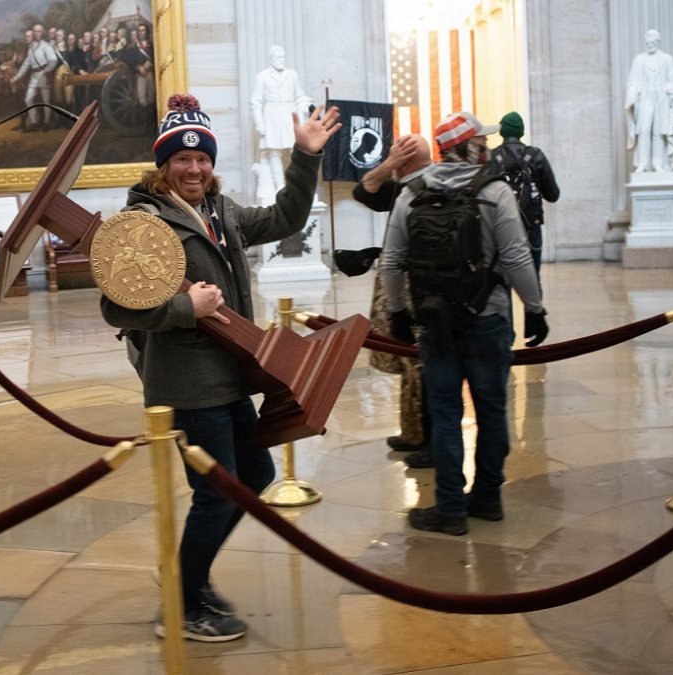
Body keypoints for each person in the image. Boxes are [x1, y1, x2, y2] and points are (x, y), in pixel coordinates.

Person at [100, 94, 340, 641]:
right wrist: (188, 307)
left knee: (254, 476)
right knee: (218, 490)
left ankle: (190, 575)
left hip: (230, 375)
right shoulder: (142, 223)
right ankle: (183, 605)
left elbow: (286, 216)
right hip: (186, 383)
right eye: (182, 160)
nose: (194, 168)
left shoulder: (222, 211)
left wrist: (304, 157)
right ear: (164, 165)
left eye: (202, 158)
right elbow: (116, 307)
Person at [381, 111, 548, 536]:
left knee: (445, 411)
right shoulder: (495, 192)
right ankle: (488, 497)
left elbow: (393, 261)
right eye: (482, 142)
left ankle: (450, 507)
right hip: (488, 317)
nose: (488, 148)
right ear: (471, 148)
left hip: (436, 322)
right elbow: (515, 257)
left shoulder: (411, 193)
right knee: (492, 410)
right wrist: (535, 307)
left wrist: (398, 313)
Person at [352, 135, 431, 459]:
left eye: (396, 155)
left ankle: (428, 441)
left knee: (420, 365)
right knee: (411, 365)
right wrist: (391, 165)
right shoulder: (403, 186)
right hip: (405, 286)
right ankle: (414, 433)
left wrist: (392, 164)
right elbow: (364, 189)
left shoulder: (426, 187)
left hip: (419, 289)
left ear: (406, 161)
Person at [489, 111, 560, 274]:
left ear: (502, 132)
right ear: (521, 131)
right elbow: (553, 195)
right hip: (531, 224)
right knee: (533, 281)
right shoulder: (536, 156)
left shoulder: (492, 157)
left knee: (500, 283)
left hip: (501, 226)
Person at [250, 45, 312, 205]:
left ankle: (295, 184)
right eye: (277, 58)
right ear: (270, 59)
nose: (281, 60)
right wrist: (259, 123)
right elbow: (255, 102)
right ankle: (280, 187)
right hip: (271, 114)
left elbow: (300, 95)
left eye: (283, 57)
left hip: (289, 113)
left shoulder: (292, 75)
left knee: (294, 150)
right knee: (274, 152)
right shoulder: (262, 76)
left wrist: (305, 105)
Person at [624, 29, 673, 174]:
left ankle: (657, 164)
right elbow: (633, 82)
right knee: (643, 130)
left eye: (653, 42)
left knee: (658, 132)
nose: (650, 45)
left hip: (661, 99)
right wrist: (631, 98)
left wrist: (670, 91)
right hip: (645, 99)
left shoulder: (667, 59)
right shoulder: (639, 60)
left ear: (658, 42)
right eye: (648, 43)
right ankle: (643, 163)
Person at [13, 24, 57, 132]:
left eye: (39, 31)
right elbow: (26, 65)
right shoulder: (31, 48)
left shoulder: (46, 46)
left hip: (44, 75)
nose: (37, 33)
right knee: (28, 99)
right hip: (34, 76)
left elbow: (54, 60)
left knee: (46, 101)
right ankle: (34, 123)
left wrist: (46, 71)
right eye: (35, 31)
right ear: (33, 33)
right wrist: (17, 77)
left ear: (42, 33)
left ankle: (46, 123)